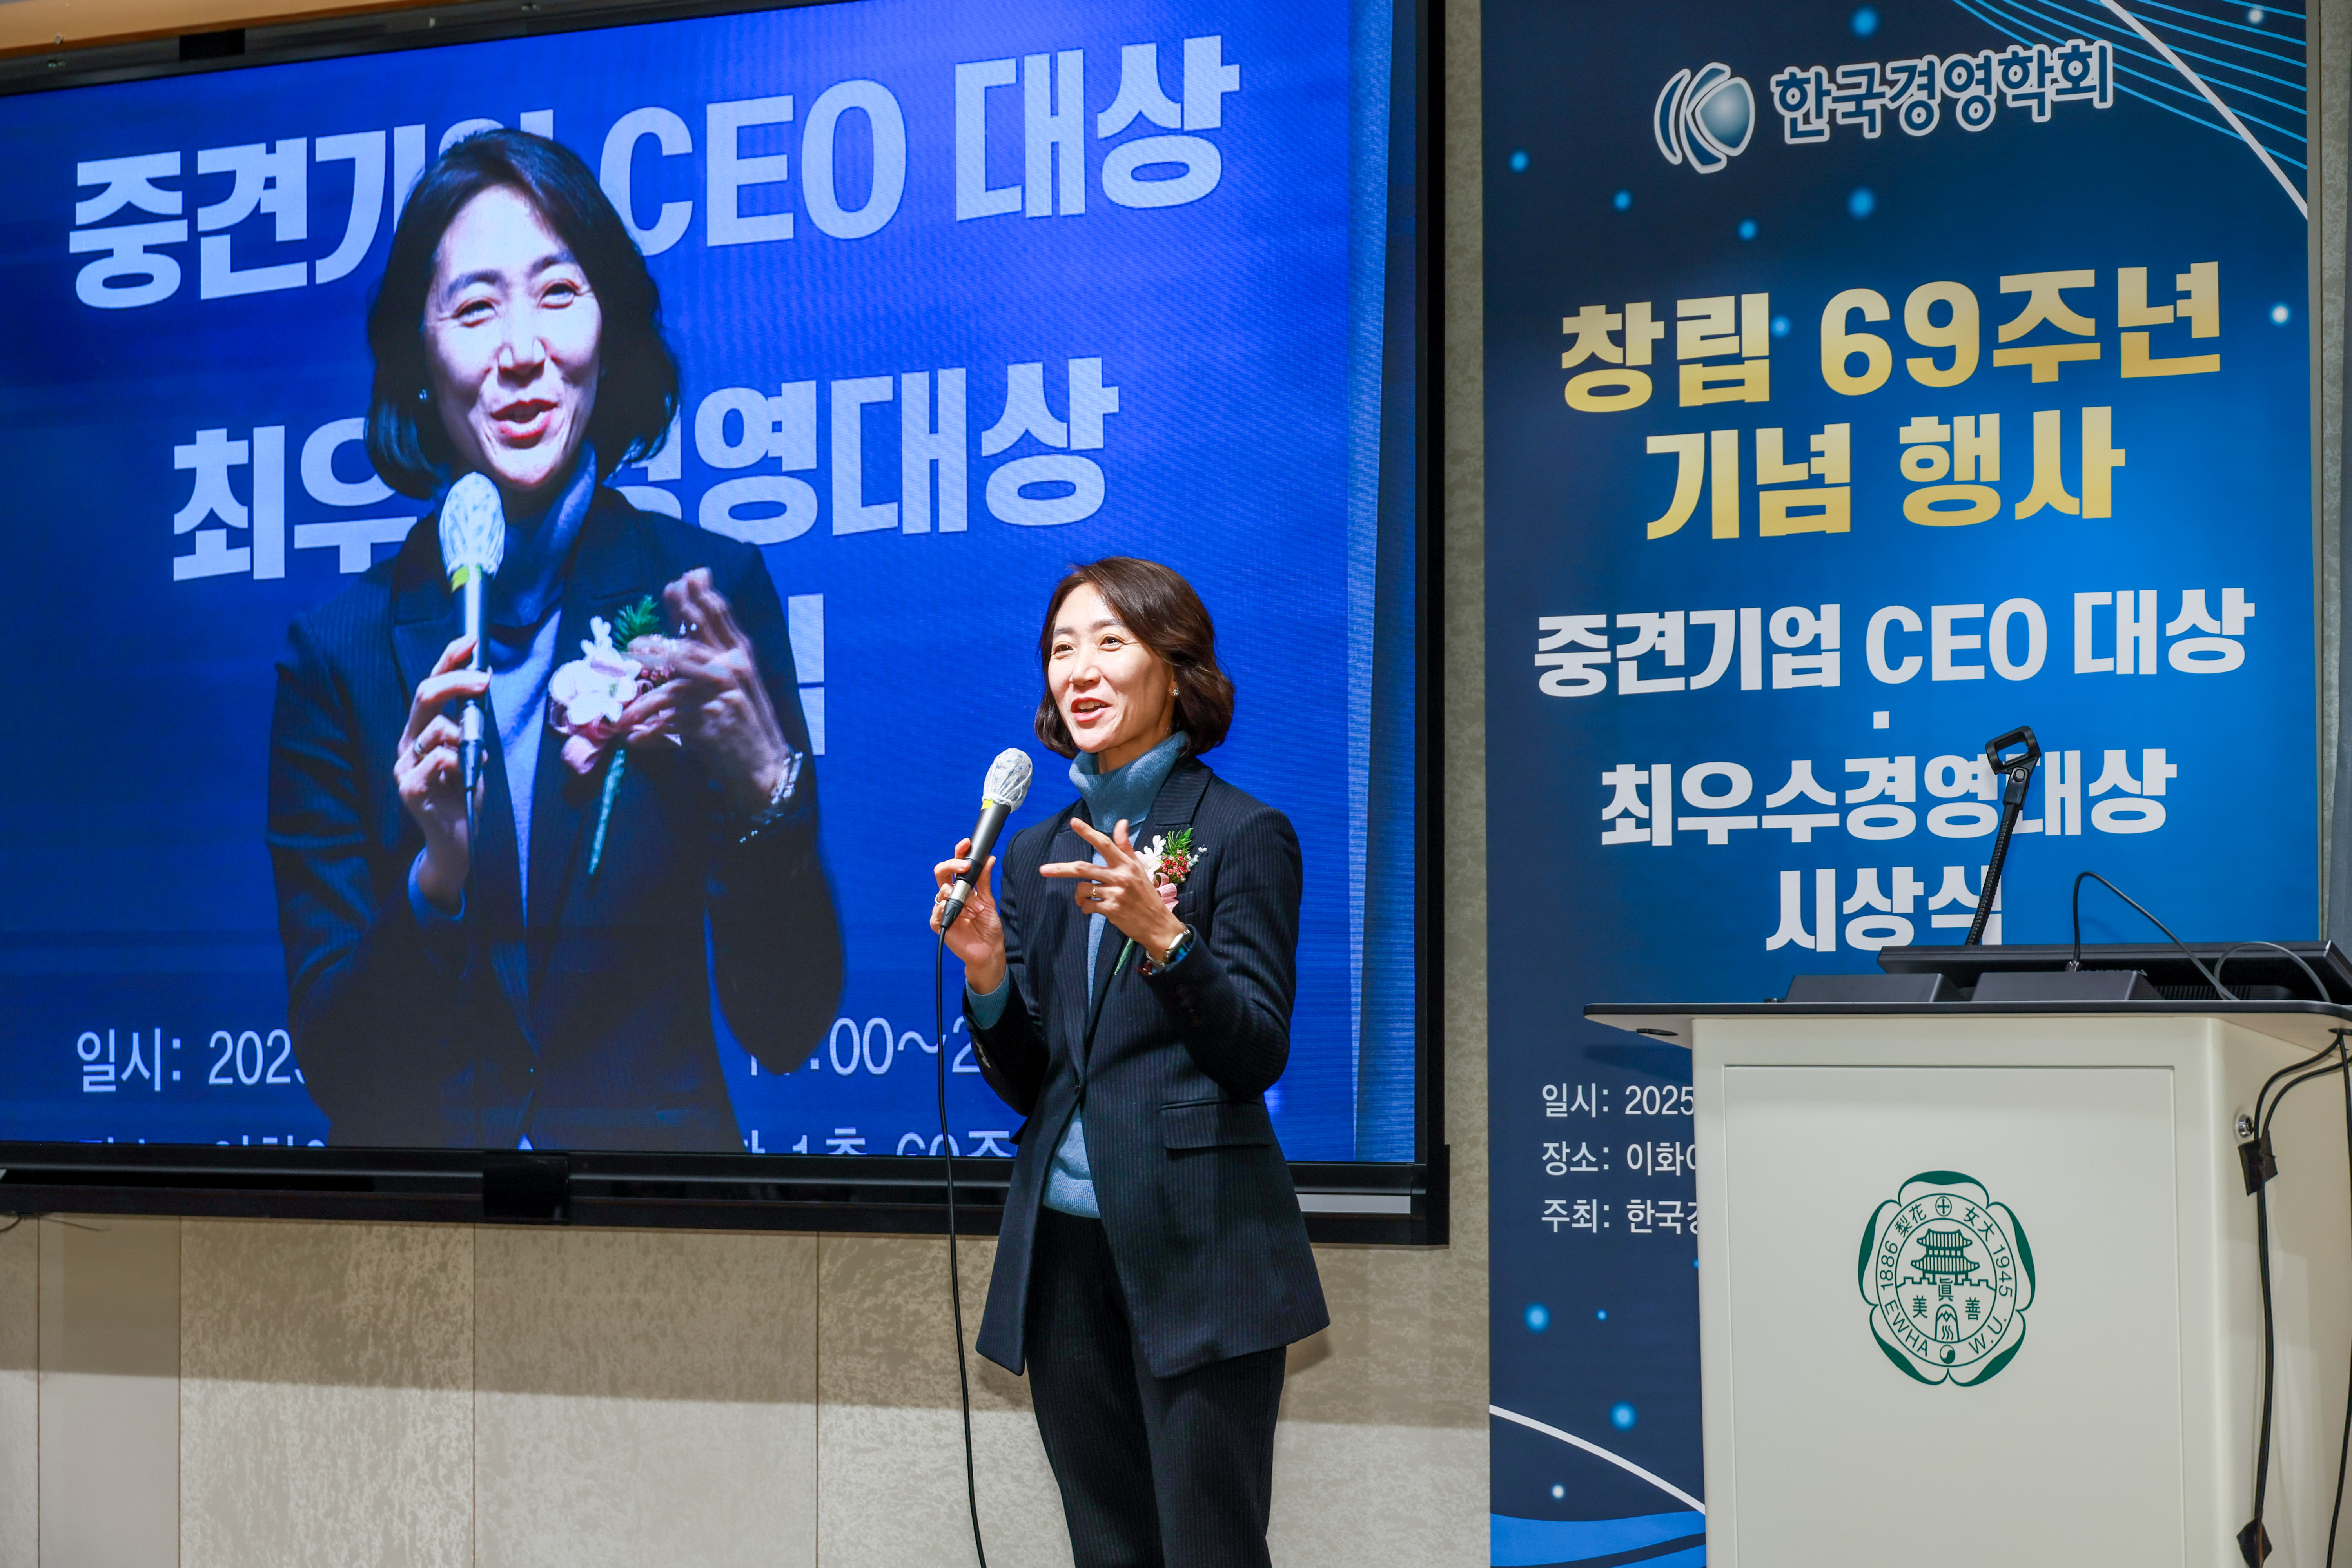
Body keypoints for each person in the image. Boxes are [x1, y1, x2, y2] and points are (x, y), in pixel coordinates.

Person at [267, 129, 842, 1150]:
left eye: (558, 294)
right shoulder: (335, 657)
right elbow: (343, 1071)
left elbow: (786, 1026)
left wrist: (768, 792)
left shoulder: (706, 599)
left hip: (658, 1218)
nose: (522, 352)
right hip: (422, 1227)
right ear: (418, 358)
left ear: (608, 332)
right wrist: (437, 880)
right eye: (476, 309)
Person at [930, 557, 1327, 1568]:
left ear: (1175, 670)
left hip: (1198, 1250)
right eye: (1062, 648)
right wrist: (987, 972)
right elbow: (1036, 1083)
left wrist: (1168, 939)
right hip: (1065, 1254)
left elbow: (1255, 1053)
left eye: (1111, 642)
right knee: (1107, 1547)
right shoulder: (1035, 856)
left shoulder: (1242, 834)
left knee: (1208, 1547)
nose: (1081, 670)